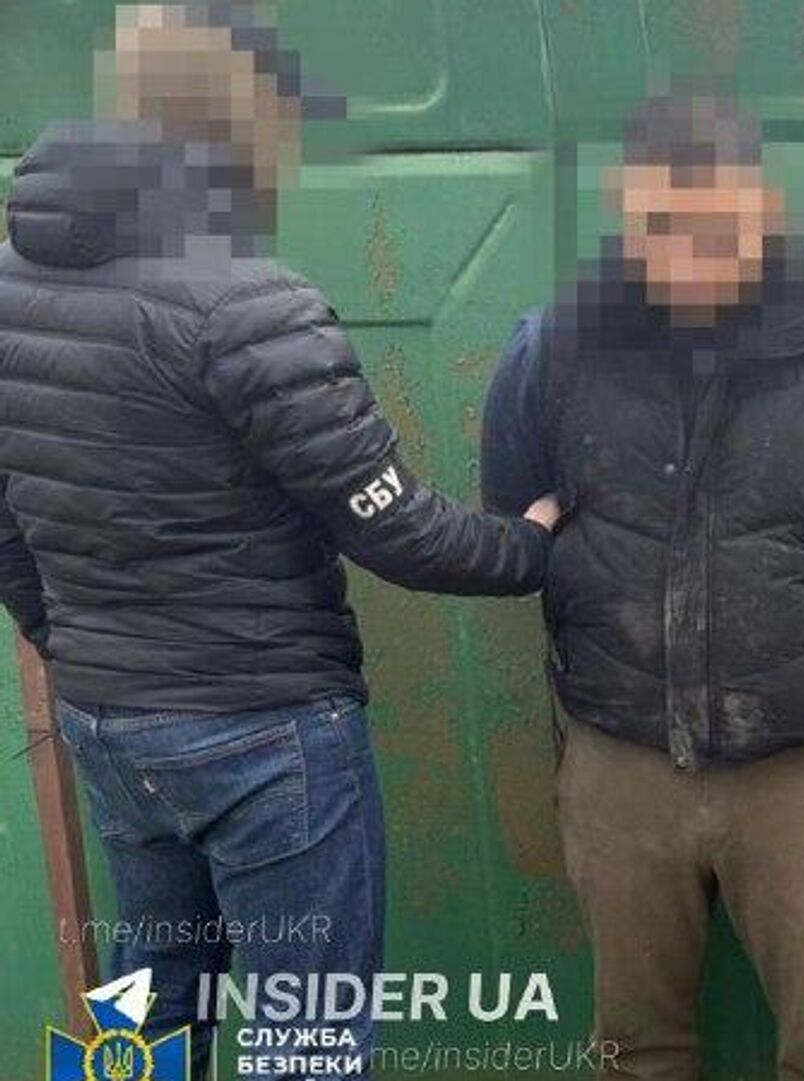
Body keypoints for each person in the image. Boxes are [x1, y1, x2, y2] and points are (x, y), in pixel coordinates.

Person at [0, 5, 554, 1077]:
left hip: (111, 721)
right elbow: (393, 527)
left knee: (150, 1001)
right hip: (261, 729)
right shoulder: (249, 301)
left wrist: (72, 646)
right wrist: (528, 547)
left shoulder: (11, 286)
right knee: (307, 1034)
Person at [480, 93, 804, 1081]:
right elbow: (515, 502)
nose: (690, 254)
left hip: (803, 772)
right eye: (663, 224)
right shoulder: (552, 349)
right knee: (638, 1053)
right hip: (620, 763)